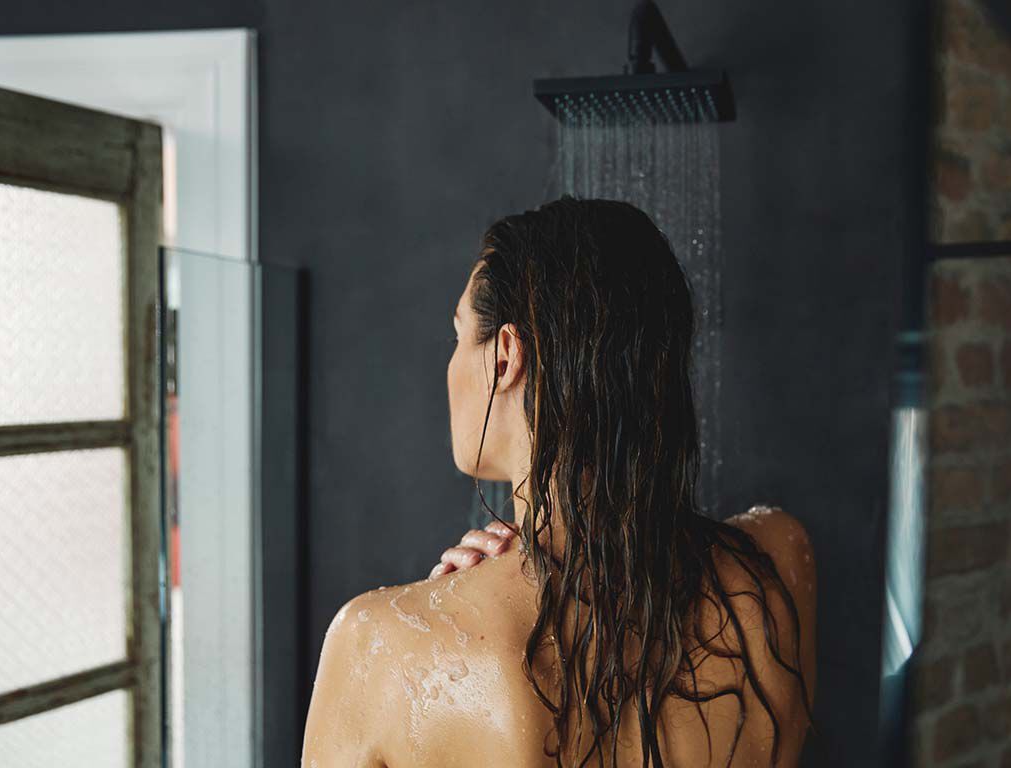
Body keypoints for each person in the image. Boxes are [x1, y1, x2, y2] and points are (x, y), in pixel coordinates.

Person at [302, 197, 817, 767]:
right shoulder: (777, 566)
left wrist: (447, 608)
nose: (450, 366)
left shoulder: (378, 647)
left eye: (457, 337)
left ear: (505, 357)